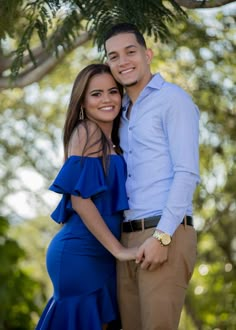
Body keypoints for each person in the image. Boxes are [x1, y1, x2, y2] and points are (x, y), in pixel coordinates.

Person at [104, 23, 200, 330]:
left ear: (148, 54)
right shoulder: (122, 111)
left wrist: (162, 236)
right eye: (113, 56)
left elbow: (186, 173)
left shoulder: (173, 100)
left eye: (130, 52)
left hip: (165, 232)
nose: (123, 61)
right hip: (128, 237)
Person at [36, 63, 137, 330]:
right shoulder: (87, 131)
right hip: (81, 253)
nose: (107, 99)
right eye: (96, 94)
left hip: (102, 255)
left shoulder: (112, 142)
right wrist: (120, 251)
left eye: (112, 91)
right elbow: (80, 201)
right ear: (82, 100)